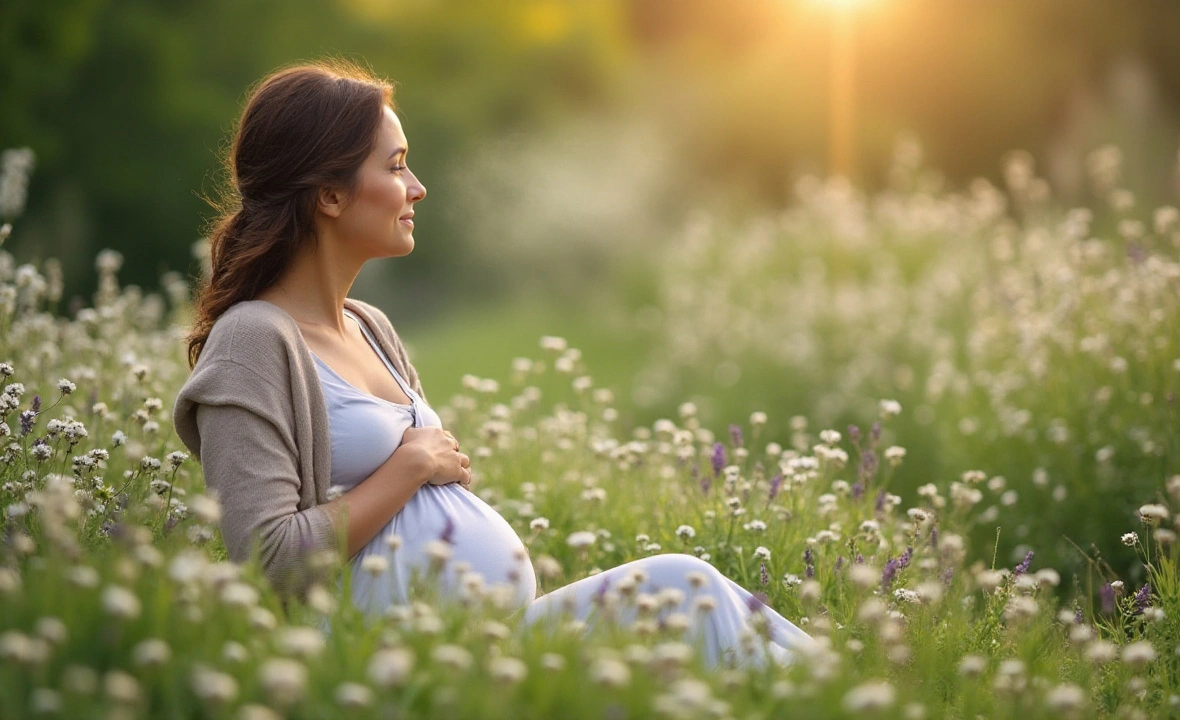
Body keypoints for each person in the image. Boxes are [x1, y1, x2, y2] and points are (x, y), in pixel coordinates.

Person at [172, 60, 816, 670]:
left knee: (686, 582)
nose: (417, 188)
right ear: (331, 195)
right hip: (393, 669)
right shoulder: (253, 341)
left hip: (484, 645)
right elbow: (269, 562)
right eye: (396, 167)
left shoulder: (371, 327)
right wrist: (412, 465)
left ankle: (846, 687)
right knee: (685, 598)